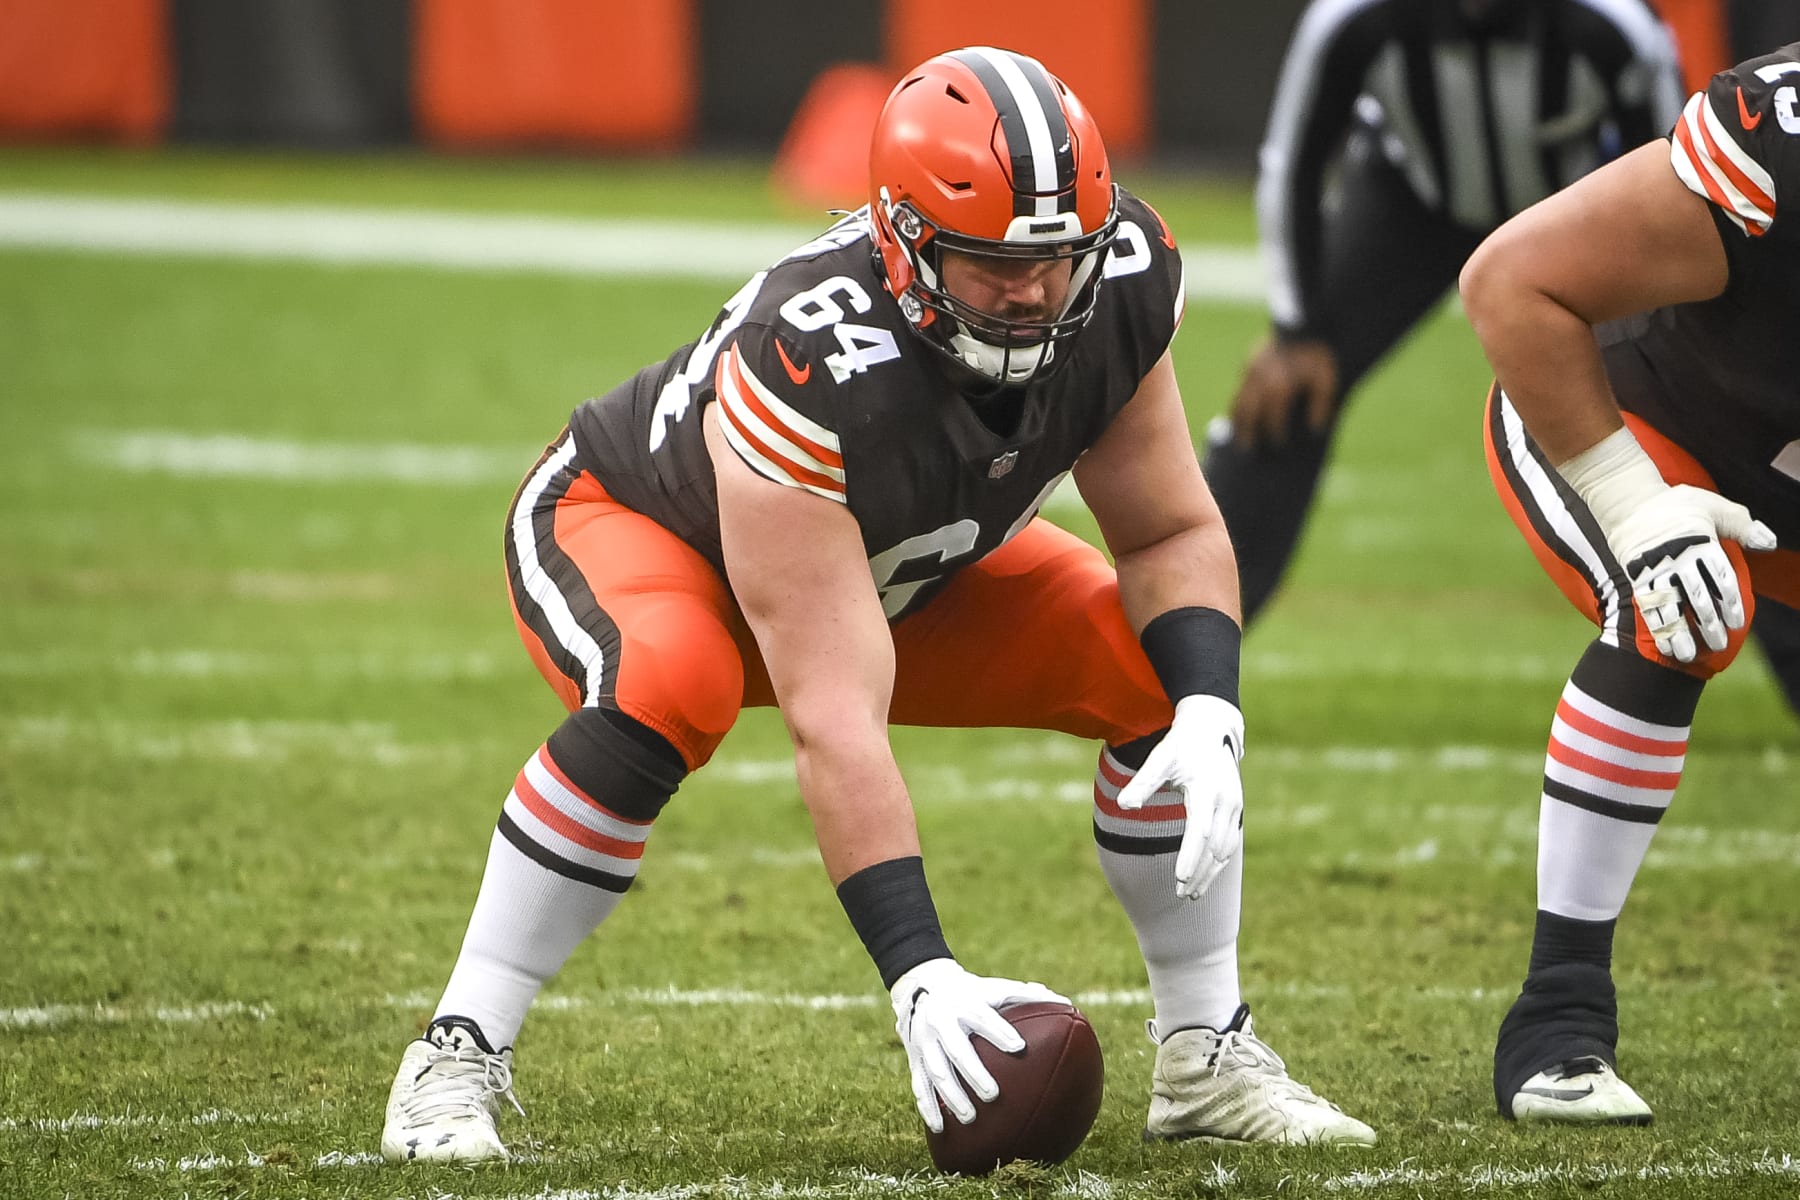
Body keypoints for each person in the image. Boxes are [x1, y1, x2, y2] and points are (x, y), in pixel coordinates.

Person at [377, 46, 1376, 1163]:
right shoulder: (806, 355)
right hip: (641, 529)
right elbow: (834, 715)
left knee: (1158, 665)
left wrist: (1210, 709)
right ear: (903, 242)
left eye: (1056, 258)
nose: (1036, 291)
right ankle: (458, 1045)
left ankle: (1206, 1053)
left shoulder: (1121, 281)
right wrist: (920, 975)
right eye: (994, 262)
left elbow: (1168, 531)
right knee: (677, 681)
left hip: (894, 562)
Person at [1460, 41, 1800, 1123]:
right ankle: (1557, 1021)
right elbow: (1514, 282)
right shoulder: (1775, 143)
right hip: (1626, 414)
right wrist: (1633, 501)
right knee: (1685, 614)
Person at [1203, 0, 1685, 622]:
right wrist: (1296, 331)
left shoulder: (1613, 25)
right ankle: (1189, 647)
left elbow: (1676, 180)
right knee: (1287, 395)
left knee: (1692, 402)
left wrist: (1678, 340)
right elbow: (1292, 161)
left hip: (1568, 210)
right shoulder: (1357, 18)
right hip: (1412, 204)